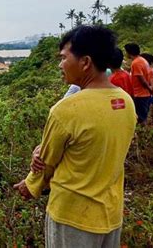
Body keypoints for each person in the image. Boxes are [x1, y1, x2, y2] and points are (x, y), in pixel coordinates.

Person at [13, 25, 136, 248]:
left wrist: (29, 185)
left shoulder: (66, 109)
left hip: (73, 216)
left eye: (63, 58)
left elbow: (46, 163)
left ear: (85, 62)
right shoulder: (126, 102)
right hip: (111, 213)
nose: (60, 65)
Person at [124, 43, 153, 125]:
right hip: (144, 94)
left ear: (129, 52)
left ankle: (143, 134)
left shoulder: (136, 63)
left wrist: (150, 90)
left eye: (126, 51)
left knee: (140, 118)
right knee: (142, 115)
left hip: (140, 94)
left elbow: (142, 80)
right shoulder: (142, 60)